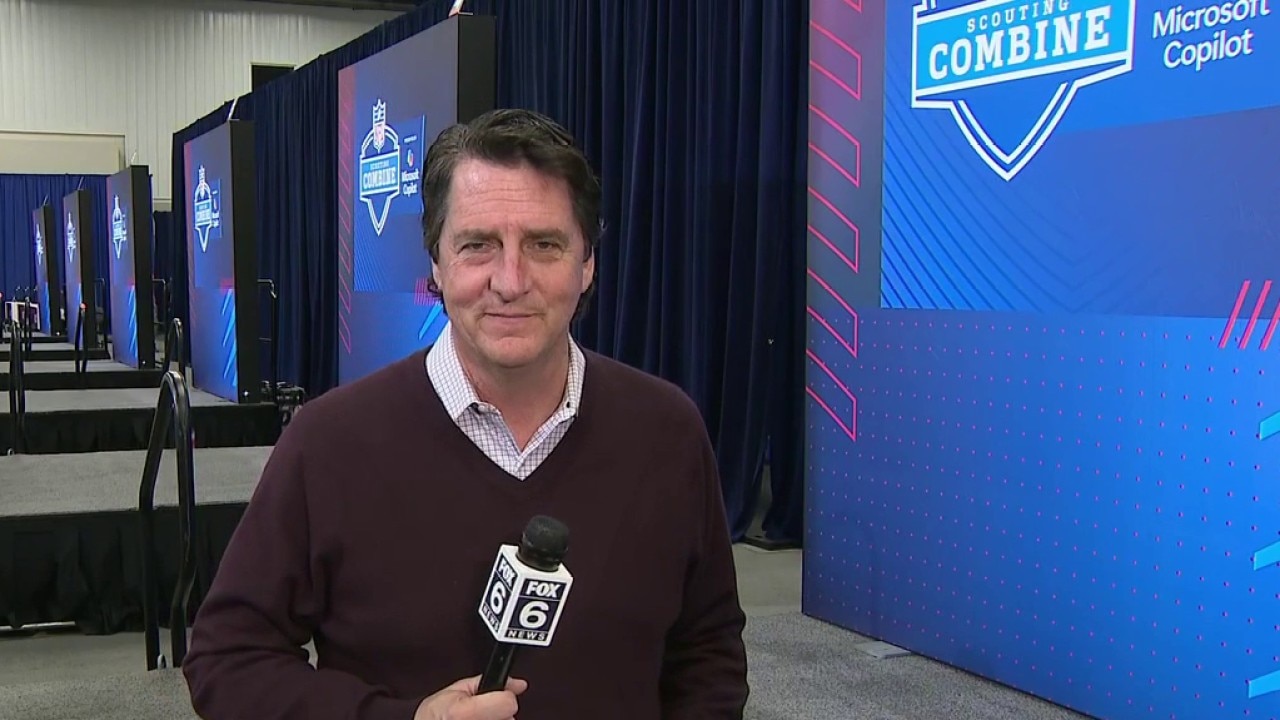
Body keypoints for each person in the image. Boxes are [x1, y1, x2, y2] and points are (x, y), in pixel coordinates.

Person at [182, 108, 749, 720]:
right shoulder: (328, 444)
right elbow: (227, 659)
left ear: (587, 263)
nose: (510, 280)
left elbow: (708, 654)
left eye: (544, 245)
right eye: (478, 245)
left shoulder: (666, 431)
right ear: (436, 262)